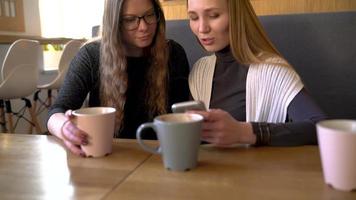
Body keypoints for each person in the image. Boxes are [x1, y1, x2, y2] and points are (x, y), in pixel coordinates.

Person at [47, 0, 190, 156]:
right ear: (114, 23)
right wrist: (65, 128)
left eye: (149, 15)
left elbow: (182, 118)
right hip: (110, 155)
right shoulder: (91, 56)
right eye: (130, 20)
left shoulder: (174, 53)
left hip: (161, 154)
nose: (143, 27)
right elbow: (57, 110)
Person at [186, 0, 326, 147]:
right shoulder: (199, 71)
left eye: (214, 15)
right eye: (194, 17)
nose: (202, 28)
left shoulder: (273, 70)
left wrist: (243, 132)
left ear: (237, 16)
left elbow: (320, 127)